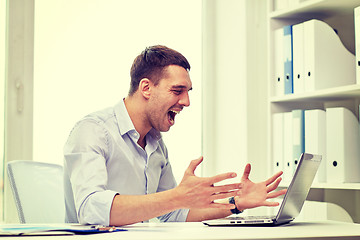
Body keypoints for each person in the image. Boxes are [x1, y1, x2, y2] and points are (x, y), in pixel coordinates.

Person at [63, 45, 286, 227]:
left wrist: (236, 203)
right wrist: (178, 196)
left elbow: (173, 214)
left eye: (188, 92)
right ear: (146, 88)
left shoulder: (155, 143)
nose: (186, 102)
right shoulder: (93, 131)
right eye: (177, 91)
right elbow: (90, 209)